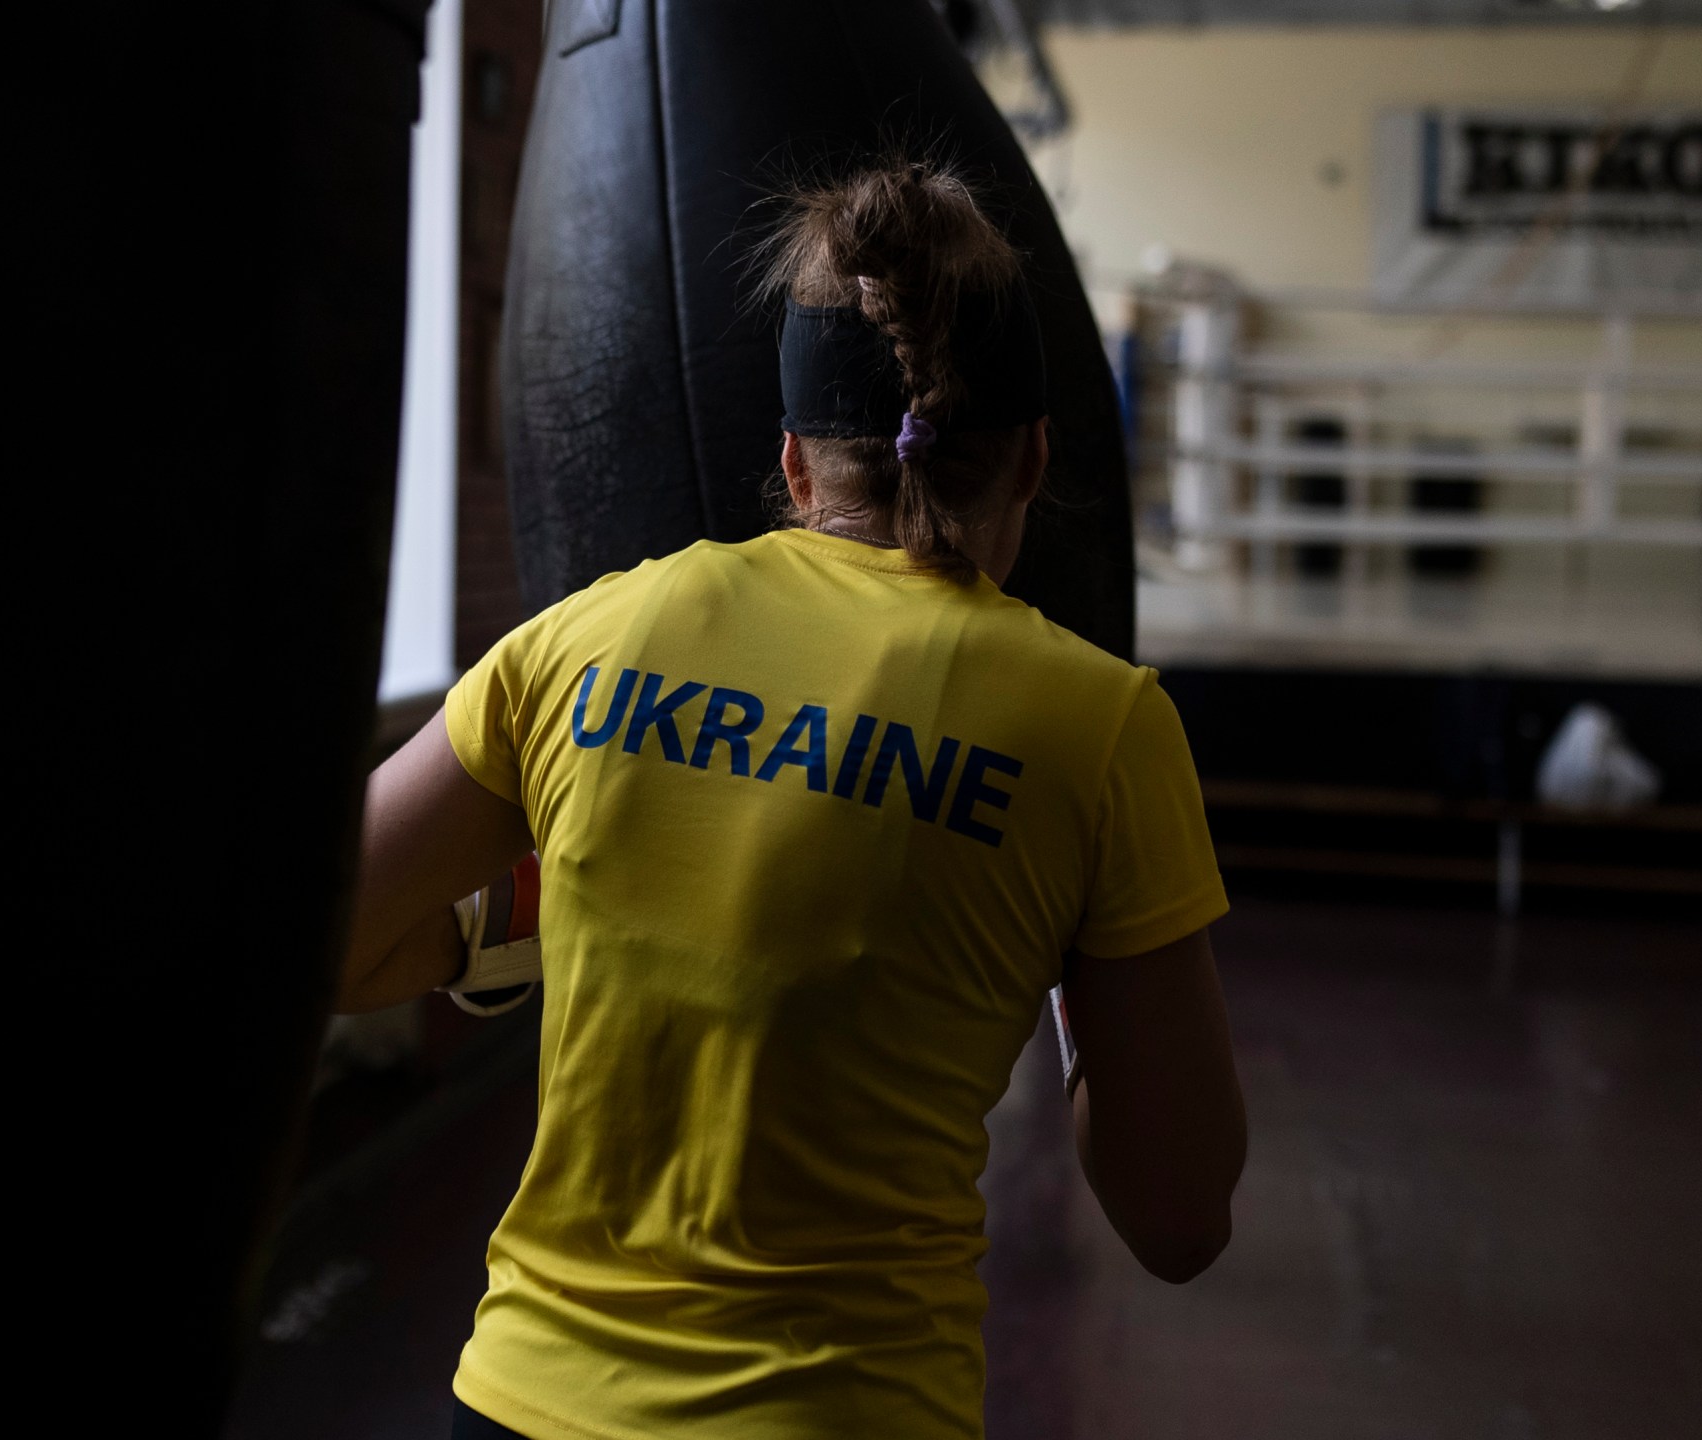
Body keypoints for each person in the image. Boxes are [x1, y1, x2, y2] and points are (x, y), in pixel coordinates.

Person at [337, 158, 1248, 1440]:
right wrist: (1071, 968)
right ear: (1038, 459)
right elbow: (1177, 1218)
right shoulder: (1097, 730)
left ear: (794, 462)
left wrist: (532, 925)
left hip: (523, 1406)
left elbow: (318, 941)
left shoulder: (589, 637)